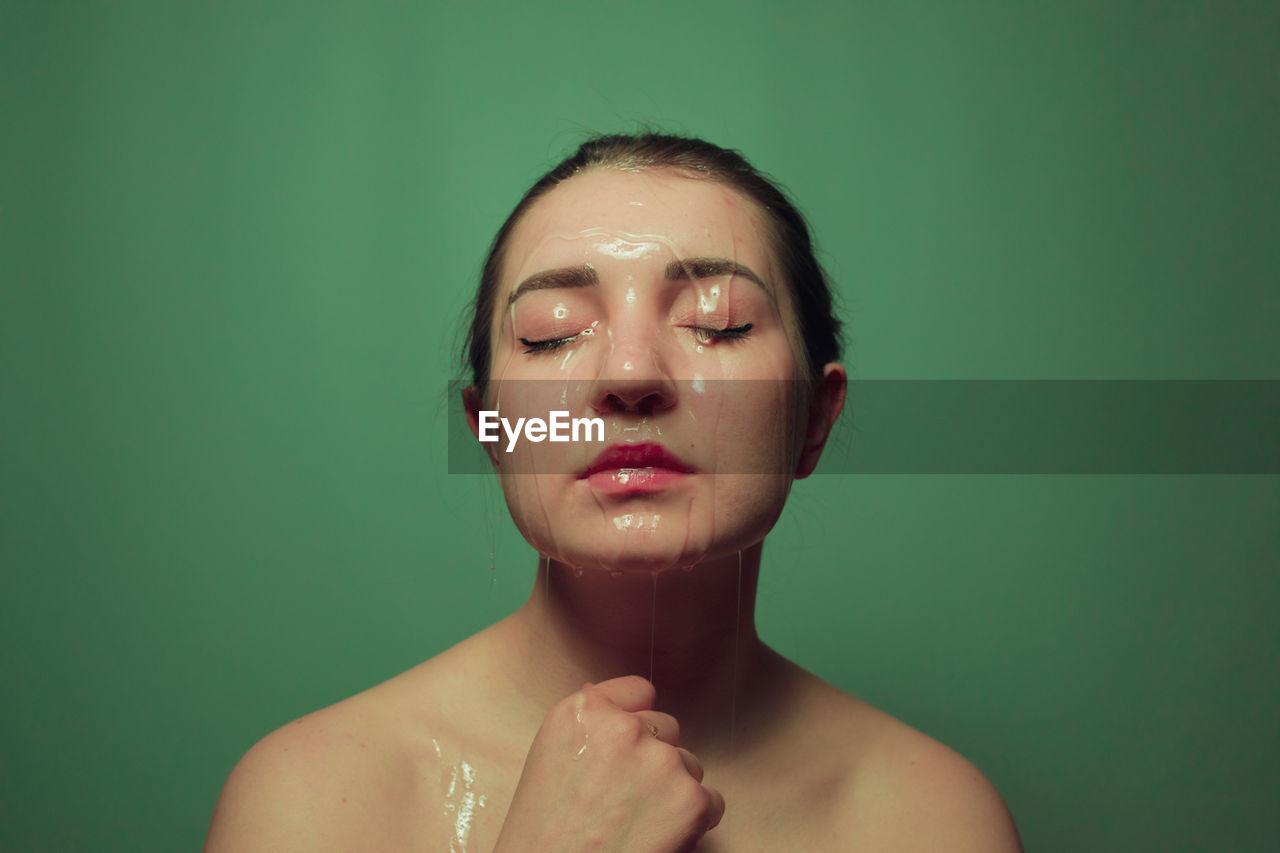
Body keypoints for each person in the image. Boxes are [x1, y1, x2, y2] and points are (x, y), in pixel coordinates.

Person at [205, 133, 1023, 851]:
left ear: (815, 417)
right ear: (492, 430)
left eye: (719, 321)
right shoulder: (307, 802)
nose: (630, 374)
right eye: (552, 331)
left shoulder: (934, 819)